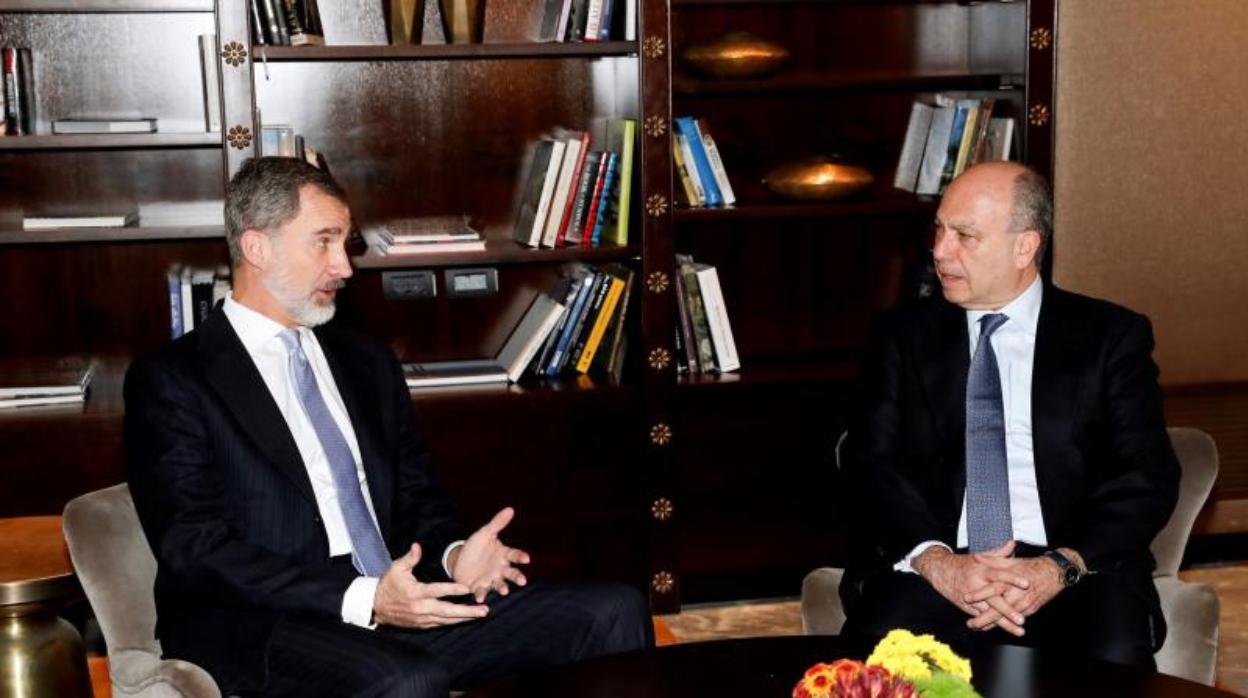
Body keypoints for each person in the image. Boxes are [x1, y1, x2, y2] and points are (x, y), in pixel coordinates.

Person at [125, 156, 652, 697]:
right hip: (264, 624)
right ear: (257, 248)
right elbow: (196, 547)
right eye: (323, 242)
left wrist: (453, 555)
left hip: (401, 598)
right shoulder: (175, 381)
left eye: (345, 242)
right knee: (408, 680)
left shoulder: (365, 362)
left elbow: (418, 495)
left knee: (613, 611)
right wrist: (364, 598)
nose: (345, 267)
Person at [838, 161, 1180, 669]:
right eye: (939, 230)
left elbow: (1148, 474)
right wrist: (938, 563)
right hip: (940, 565)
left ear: (1025, 246)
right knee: (880, 655)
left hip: (1070, 569)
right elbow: (870, 466)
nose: (939, 252)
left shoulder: (1109, 337)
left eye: (965, 236)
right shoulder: (902, 338)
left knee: (1112, 657)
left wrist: (1058, 565)